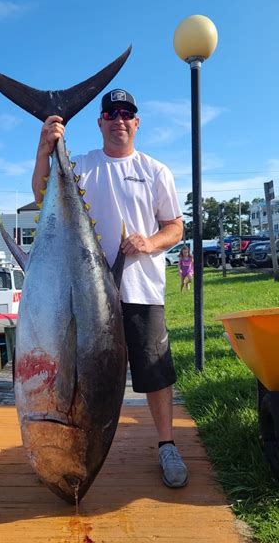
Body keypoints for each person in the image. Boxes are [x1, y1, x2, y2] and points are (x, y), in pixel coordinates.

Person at [33, 88, 188, 488]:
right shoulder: (81, 165)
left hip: (141, 289)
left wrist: (150, 243)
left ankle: (167, 444)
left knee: (155, 371)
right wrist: (45, 147)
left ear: (137, 122)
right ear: (100, 121)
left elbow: (175, 226)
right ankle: (71, 447)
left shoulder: (156, 171)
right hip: (87, 295)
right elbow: (41, 194)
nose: (120, 119)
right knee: (85, 375)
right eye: (112, 113)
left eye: (127, 113)